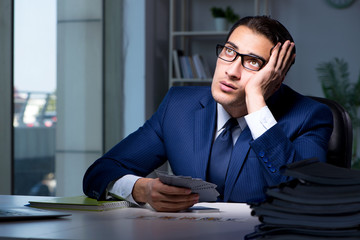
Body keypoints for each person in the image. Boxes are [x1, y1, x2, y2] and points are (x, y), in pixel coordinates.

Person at [83, 16, 333, 212]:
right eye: (229, 52)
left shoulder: (309, 116)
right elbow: (99, 173)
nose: (232, 70)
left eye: (253, 62)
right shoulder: (178, 107)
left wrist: (256, 102)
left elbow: (308, 196)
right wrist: (140, 189)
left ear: (275, 78)